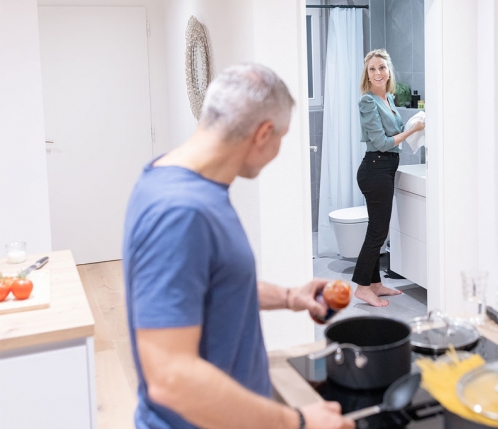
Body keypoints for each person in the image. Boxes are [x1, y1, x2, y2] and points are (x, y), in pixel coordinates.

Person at [122, 63, 354, 429]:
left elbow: (208, 285)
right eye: (282, 137)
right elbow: (170, 377)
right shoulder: (181, 211)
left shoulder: (174, 179)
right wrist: (297, 421)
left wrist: (291, 296)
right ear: (263, 134)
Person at [352, 49, 426, 307]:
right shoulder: (368, 102)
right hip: (375, 169)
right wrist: (413, 130)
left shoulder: (388, 99)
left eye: (381, 67)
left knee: (378, 230)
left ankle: (375, 283)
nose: (377, 73)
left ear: (388, 71)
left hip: (385, 168)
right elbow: (382, 142)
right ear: (367, 74)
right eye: (372, 69)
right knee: (377, 232)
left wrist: (413, 125)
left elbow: (392, 133)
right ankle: (362, 287)